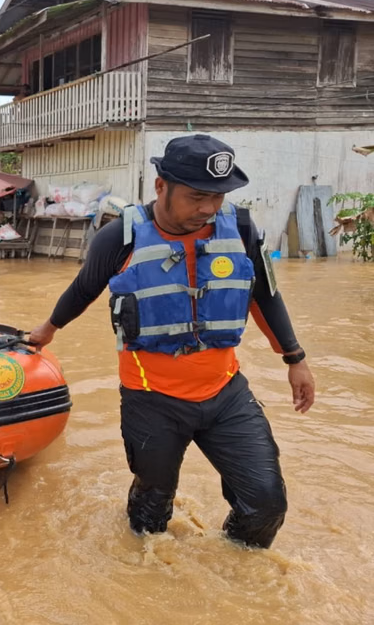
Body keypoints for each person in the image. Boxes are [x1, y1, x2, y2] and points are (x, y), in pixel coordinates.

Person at [29, 134, 316, 549]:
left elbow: (264, 295)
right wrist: (47, 330)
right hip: (152, 399)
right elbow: (82, 292)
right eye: (197, 196)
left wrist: (295, 358)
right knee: (151, 515)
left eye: (218, 197)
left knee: (267, 503)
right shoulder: (119, 239)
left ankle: (232, 572)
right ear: (161, 186)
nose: (208, 209)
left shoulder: (242, 228)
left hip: (225, 394)